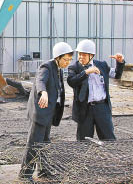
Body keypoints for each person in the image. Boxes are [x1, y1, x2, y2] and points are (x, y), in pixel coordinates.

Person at [19, 42, 74, 181]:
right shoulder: (47, 66)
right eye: (65, 59)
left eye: (69, 60)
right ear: (57, 57)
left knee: (44, 142)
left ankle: (43, 171)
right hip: (40, 112)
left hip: (49, 112)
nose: (67, 62)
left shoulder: (59, 68)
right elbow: (40, 81)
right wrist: (43, 92)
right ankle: (25, 175)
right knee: (34, 143)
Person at [67, 39, 125, 141]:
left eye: (84, 55)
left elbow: (116, 75)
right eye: (79, 54)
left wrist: (119, 63)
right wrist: (86, 72)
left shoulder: (102, 65)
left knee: (109, 139)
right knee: (83, 141)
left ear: (91, 55)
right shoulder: (74, 67)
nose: (81, 57)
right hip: (85, 109)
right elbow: (71, 81)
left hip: (102, 108)